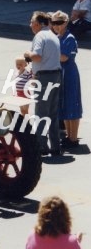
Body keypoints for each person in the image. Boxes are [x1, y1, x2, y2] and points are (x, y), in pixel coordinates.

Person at [23, 11, 61, 156]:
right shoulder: (52, 35)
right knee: (52, 113)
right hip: (56, 75)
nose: (30, 25)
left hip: (44, 77)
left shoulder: (39, 36)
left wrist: (27, 54)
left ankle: (42, 146)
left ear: (38, 23)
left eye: (32, 22)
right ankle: (55, 146)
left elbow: (37, 56)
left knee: (41, 113)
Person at [50, 11, 82, 148]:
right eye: (54, 23)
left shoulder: (69, 38)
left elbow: (65, 57)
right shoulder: (57, 37)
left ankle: (73, 138)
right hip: (60, 72)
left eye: (59, 23)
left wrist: (49, 55)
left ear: (65, 23)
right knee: (64, 105)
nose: (56, 26)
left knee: (72, 104)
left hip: (69, 73)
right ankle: (69, 136)